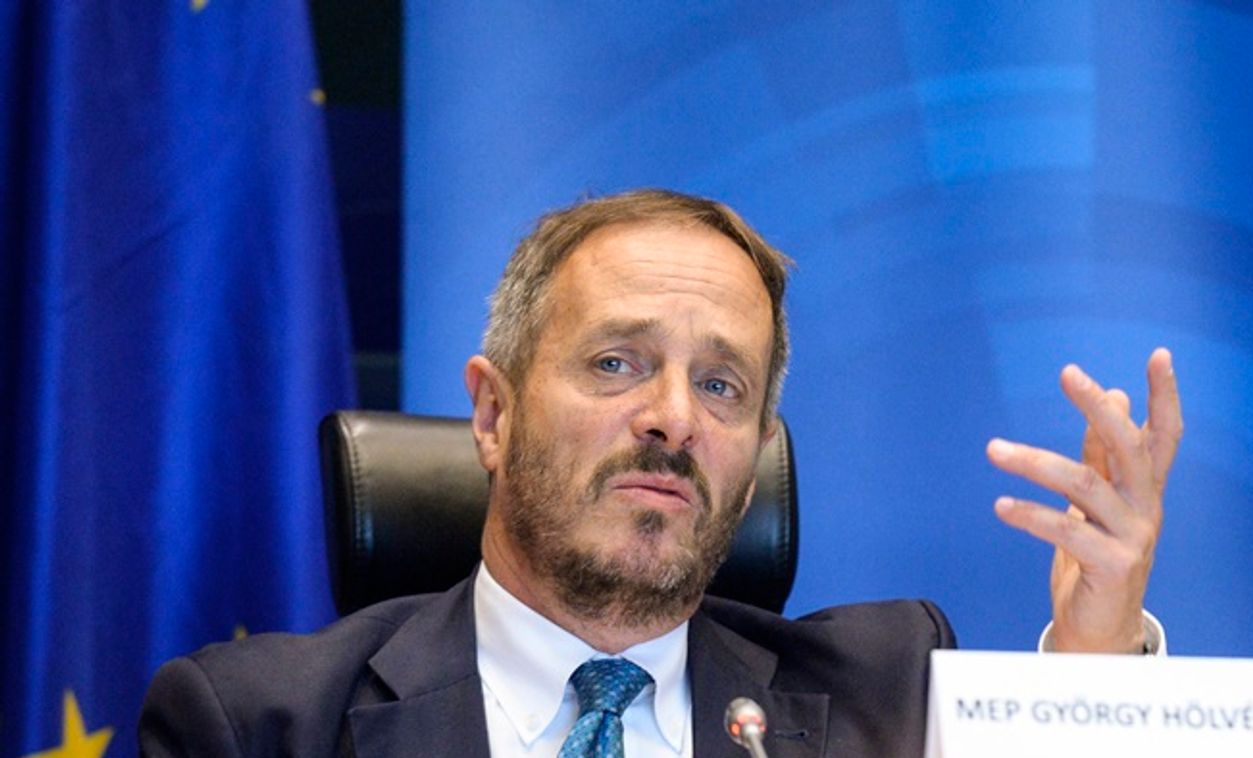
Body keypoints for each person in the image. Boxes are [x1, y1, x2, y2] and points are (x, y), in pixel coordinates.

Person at [139, 189, 1183, 756]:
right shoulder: (257, 725)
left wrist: (1095, 654)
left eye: (722, 385)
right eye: (616, 363)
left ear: (755, 455)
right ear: (493, 414)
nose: (674, 417)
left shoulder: (888, 698)